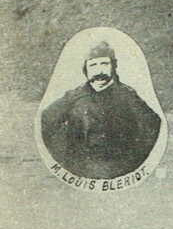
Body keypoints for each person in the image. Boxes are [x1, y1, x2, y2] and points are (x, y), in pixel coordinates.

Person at [40, 40, 162, 179]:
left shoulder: (127, 95)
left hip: (118, 168)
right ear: (86, 69)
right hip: (81, 168)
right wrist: (66, 157)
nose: (99, 70)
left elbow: (152, 124)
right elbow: (47, 120)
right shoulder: (74, 96)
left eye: (104, 64)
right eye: (93, 65)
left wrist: (134, 160)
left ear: (113, 66)